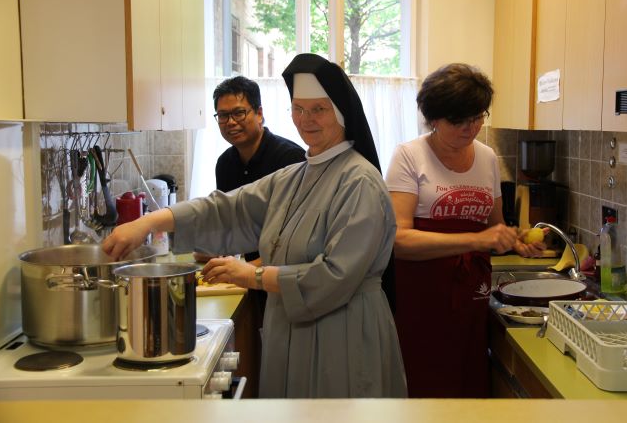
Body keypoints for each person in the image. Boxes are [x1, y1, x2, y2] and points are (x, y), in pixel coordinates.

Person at [103, 53, 407, 399]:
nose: (306, 120)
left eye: (319, 109)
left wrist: (253, 276)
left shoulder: (359, 181)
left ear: (340, 112)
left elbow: (336, 275)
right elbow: (228, 209)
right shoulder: (295, 176)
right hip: (293, 328)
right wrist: (149, 222)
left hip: (343, 332)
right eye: (298, 109)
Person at [385, 63, 546, 398]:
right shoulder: (409, 156)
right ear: (433, 118)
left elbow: (495, 227)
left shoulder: (487, 158)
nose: (470, 128)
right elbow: (398, 240)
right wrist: (477, 239)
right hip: (422, 295)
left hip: (472, 291)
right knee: (424, 383)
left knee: (468, 380)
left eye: (477, 117)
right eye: (458, 120)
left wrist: (516, 240)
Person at [196, 75, 305, 394]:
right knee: (256, 363)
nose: (231, 122)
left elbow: (294, 236)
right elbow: (233, 223)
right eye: (223, 115)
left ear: (259, 113)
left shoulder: (289, 159)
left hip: (284, 278)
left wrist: (246, 269)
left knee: (287, 366)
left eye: (239, 113)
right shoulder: (225, 163)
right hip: (249, 278)